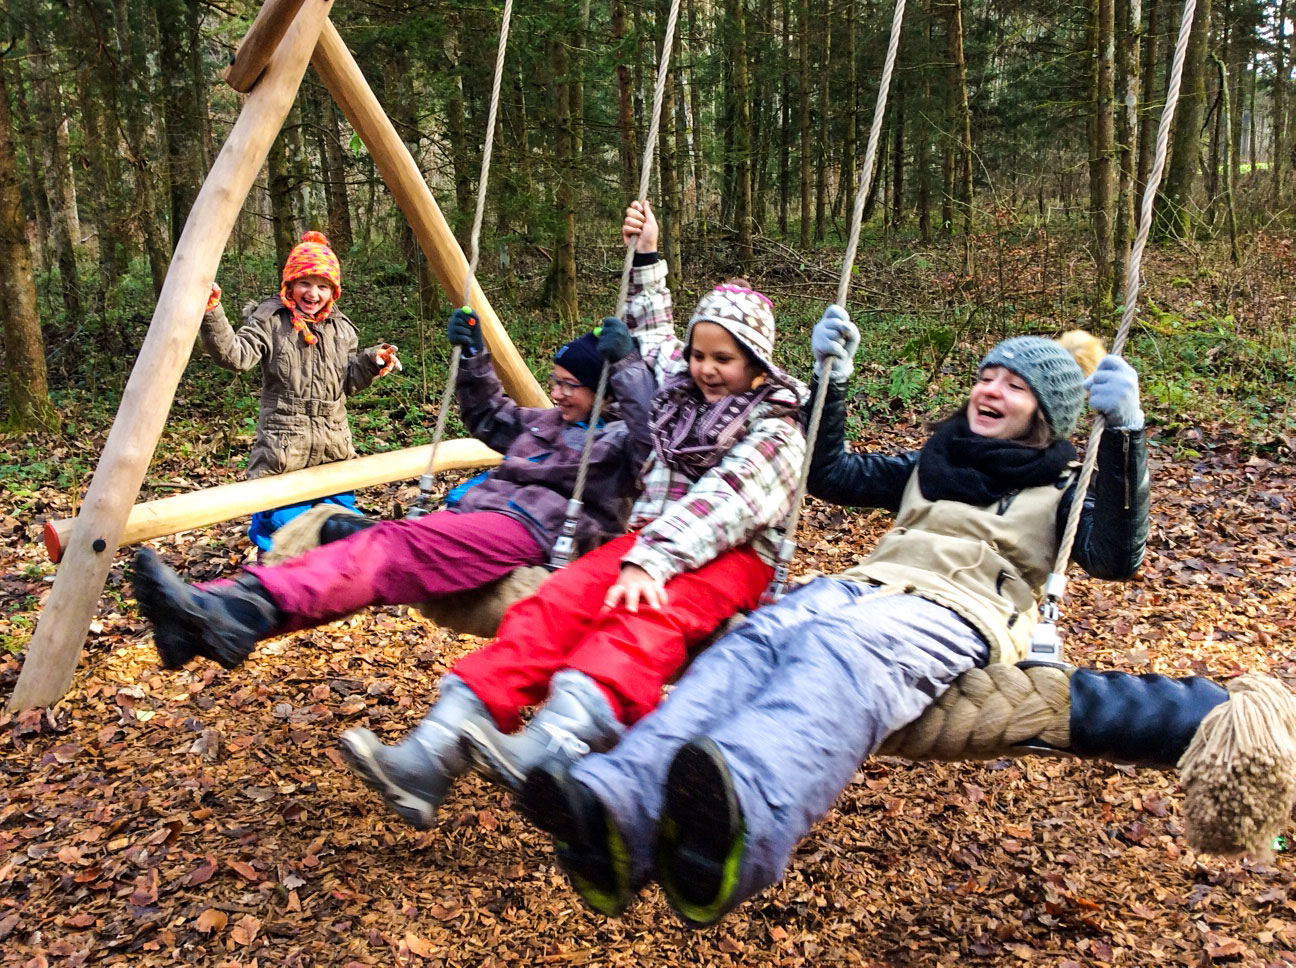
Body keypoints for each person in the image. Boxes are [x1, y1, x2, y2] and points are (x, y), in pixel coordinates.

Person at [519, 312, 1150, 927]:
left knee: (840, 652)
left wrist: (1125, 436)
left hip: (955, 611)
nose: (991, 390)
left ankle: (743, 816)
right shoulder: (935, 462)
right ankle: (618, 801)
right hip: (861, 590)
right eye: (987, 375)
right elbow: (832, 475)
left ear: (1046, 413)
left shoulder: (1064, 487)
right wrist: (832, 382)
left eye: (1015, 386)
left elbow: (1115, 556)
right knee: (749, 645)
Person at [338, 199, 810, 830]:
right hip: (649, 547)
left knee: (637, 623)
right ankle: (436, 747)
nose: (704, 369)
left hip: (731, 561)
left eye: (723, 360)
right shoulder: (685, 387)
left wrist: (653, 559)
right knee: (553, 603)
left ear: (756, 367)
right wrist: (646, 256)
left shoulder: (776, 426)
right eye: (700, 356)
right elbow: (651, 339)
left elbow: (728, 501)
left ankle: (556, 744)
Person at [133, 309, 655, 672]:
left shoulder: (618, 447)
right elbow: (490, 415)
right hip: (475, 522)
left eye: (570, 385)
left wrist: (630, 368)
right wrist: (474, 357)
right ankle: (211, 621)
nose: (557, 393)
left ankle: (229, 610)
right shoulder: (543, 423)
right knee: (352, 547)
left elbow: (654, 436)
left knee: (386, 547)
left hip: (531, 534)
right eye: (555, 381)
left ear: (602, 391)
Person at [199, 231, 400, 550]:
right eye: (305, 283)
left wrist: (371, 361)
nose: (313, 293)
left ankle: (336, 592)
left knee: (341, 534)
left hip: (333, 453)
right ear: (290, 284)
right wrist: (211, 312)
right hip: (283, 455)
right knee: (285, 533)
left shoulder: (341, 329)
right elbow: (234, 355)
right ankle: (277, 590)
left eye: (323, 286)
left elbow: (347, 379)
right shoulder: (271, 321)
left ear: (333, 291)